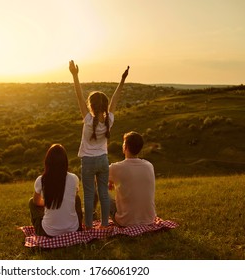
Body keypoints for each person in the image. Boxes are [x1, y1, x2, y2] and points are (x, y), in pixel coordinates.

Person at [69, 60, 129, 229]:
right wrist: (122, 80)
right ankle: (104, 224)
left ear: (91, 106)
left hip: (88, 161)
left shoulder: (88, 120)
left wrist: (75, 75)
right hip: (103, 160)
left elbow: (79, 96)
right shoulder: (109, 120)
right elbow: (116, 99)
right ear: (105, 106)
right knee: (103, 193)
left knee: (89, 195)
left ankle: (88, 225)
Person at [29, 144, 83, 237]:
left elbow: (36, 202)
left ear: (47, 162)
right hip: (74, 229)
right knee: (76, 198)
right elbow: (71, 199)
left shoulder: (41, 180)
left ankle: (49, 224)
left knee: (31, 202)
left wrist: (49, 202)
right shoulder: (74, 178)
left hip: (48, 233)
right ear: (65, 162)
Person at [108, 131, 156, 226]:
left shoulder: (116, 168)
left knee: (100, 189)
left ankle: (92, 214)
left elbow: (98, 178)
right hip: (149, 219)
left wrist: (108, 182)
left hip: (125, 221)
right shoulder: (149, 165)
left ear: (125, 147)